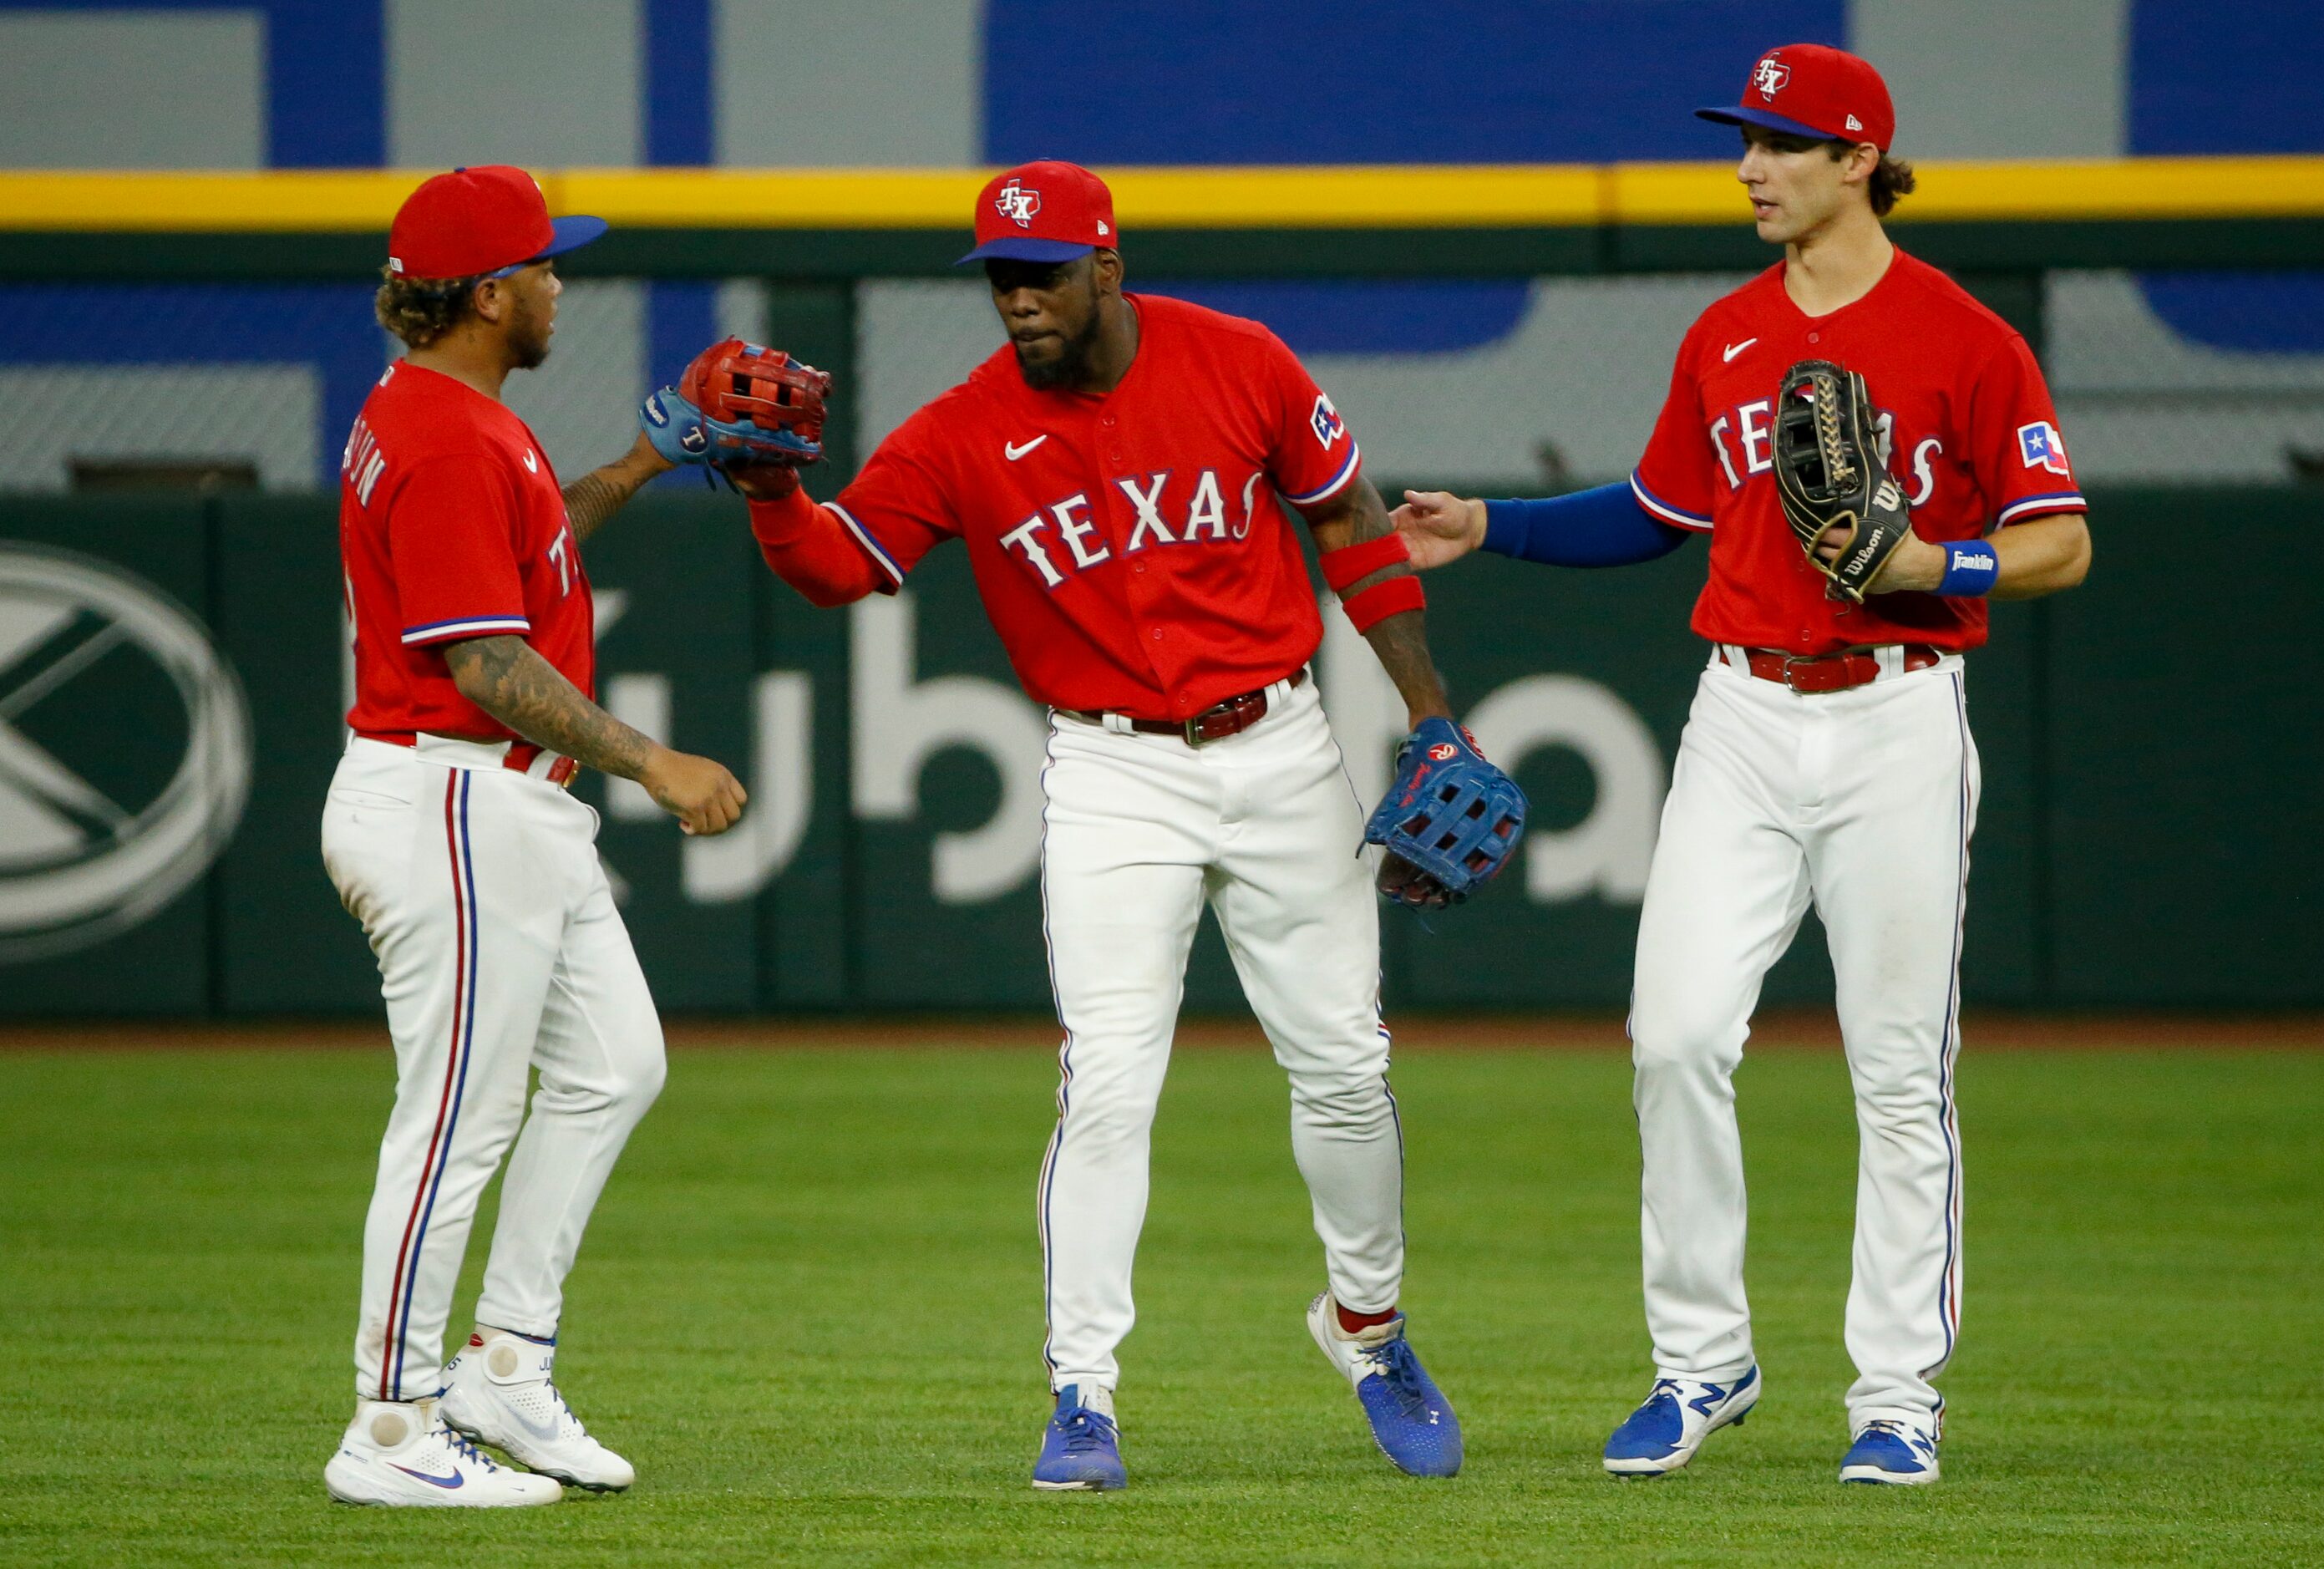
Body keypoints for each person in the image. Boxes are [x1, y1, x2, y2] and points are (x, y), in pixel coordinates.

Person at [657, 160, 1473, 1489]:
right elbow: (840, 567)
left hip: (1278, 745)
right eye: (996, 278)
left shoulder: (1240, 361)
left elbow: (1347, 520)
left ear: (1105, 266)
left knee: (1342, 1068)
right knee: (1107, 1080)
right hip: (1111, 773)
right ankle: (1081, 1393)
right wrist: (766, 494)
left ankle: (1369, 1331)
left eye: (1038, 274)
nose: (1016, 300)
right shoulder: (964, 428)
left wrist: (1434, 718)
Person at [1392, 46, 2091, 1486]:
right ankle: (1701, 1361)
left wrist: (1930, 558)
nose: (1749, 166)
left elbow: (2059, 539)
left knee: (1898, 1072)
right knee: (1674, 1035)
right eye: (1746, 141)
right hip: (1743, 716)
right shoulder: (1721, 333)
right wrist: (1493, 526)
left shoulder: (1965, 338)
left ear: (1855, 161)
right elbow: (1655, 510)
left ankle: (1895, 1397)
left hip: (1896, 712)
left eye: (1779, 141)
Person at [322, 165, 745, 1507]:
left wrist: (640, 461)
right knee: (452, 1121)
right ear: (490, 292)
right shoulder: (445, 437)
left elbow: (527, 553)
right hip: (450, 791)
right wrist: (653, 760)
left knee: (615, 1064)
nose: (562, 283)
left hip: (500, 805)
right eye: (547, 267)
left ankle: (502, 1359)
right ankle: (387, 1426)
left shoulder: (454, 417)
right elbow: (484, 664)